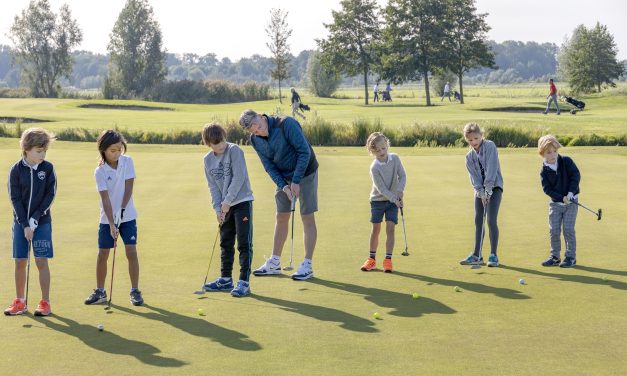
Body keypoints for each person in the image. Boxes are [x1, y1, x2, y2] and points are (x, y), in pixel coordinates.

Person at [239, 109, 319, 280]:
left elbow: (304, 152)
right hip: (284, 177)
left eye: (260, 126)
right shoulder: (255, 140)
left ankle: (307, 264)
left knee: (307, 216)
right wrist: (283, 186)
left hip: (305, 172)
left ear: (261, 116)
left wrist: (296, 181)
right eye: (255, 131)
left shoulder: (286, 124)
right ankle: (274, 262)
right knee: (281, 216)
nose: (260, 132)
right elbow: (268, 165)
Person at [85, 130, 144, 306]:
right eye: (112, 150)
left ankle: (135, 291)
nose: (117, 153)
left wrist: (122, 212)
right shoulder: (100, 171)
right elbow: (105, 199)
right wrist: (112, 223)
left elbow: (128, 189)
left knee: (131, 251)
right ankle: (100, 291)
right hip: (107, 219)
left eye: (119, 149)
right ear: (103, 150)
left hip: (128, 217)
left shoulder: (128, 162)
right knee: (103, 253)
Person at [5, 128, 57, 316]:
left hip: (42, 222)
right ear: (26, 149)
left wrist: (35, 218)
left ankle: (45, 302)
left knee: (41, 260)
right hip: (20, 224)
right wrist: (25, 223)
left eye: (44, 151)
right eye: (38, 151)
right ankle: (20, 301)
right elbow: (15, 199)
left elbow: (50, 195)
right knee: (20, 261)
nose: (42, 155)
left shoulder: (48, 169)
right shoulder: (16, 170)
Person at [201, 122, 254, 297]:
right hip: (224, 206)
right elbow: (213, 187)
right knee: (226, 242)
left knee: (244, 243)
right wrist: (218, 208)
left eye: (222, 141)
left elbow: (239, 178)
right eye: (216, 143)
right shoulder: (207, 160)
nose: (221, 145)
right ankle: (225, 280)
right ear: (208, 144)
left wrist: (227, 202)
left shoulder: (235, 151)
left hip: (241, 201)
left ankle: (244, 282)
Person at [360, 132, 406, 273]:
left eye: (383, 148)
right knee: (376, 229)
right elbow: (381, 188)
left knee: (390, 229)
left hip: (393, 201)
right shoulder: (374, 167)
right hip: (377, 201)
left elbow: (402, 175)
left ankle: (388, 260)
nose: (381, 152)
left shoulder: (395, 159)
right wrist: (394, 199)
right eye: (377, 150)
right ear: (372, 151)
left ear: (387, 145)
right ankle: (371, 259)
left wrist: (400, 190)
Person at [460, 123, 504, 267]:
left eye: (476, 138)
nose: (474, 142)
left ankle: (493, 255)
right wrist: (481, 192)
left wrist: (488, 190)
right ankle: (477, 255)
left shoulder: (490, 146)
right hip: (480, 191)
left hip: (495, 187)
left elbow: (492, 168)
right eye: (470, 140)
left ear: (481, 135)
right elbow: (474, 178)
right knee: (479, 220)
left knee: (491, 220)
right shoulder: (468, 157)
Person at [538, 135, 580, 268]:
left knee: (568, 229)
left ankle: (570, 257)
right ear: (542, 154)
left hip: (571, 203)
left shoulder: (566, 161)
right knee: (554, 230)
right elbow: (547, 189)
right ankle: (555, 256)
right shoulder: (544, 171)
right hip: (556, 204)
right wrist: (561, 198)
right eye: (549, 152)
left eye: (555, 151)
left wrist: (571, 193)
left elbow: (576, 176)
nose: (553, 154)